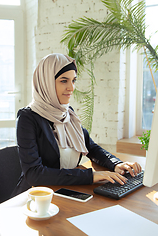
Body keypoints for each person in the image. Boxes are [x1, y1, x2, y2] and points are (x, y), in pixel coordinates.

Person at [11, 53, 142, 196]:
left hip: (67, 191)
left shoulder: (68, 113)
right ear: (46, 82)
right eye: (63, 81)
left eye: (73, 80)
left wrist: (115, 164)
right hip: (37, 197)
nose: (71, 88)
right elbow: (34, 174)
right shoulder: (28, 118)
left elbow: (90, 147)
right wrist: (90, 176)